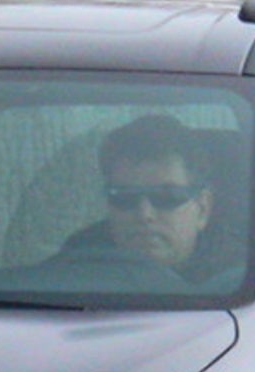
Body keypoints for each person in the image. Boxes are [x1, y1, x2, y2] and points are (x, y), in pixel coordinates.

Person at [60, 115, 224, 282]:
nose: (144, 214)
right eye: (124, 197)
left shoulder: (235, 280)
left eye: (166, 197)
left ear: (202, 209)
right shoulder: (73, 265)